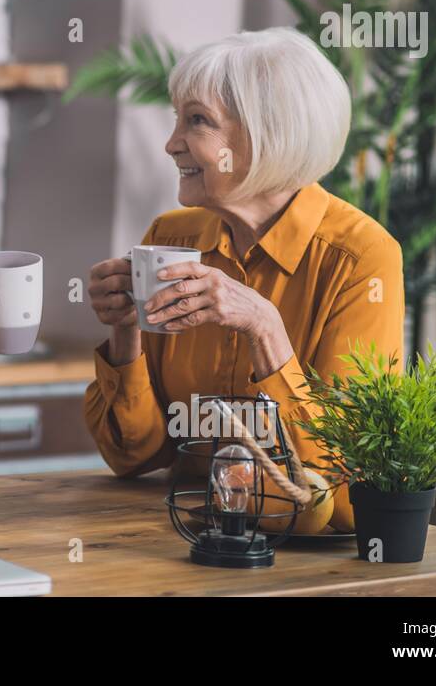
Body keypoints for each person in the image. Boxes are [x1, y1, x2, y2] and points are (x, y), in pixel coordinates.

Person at [84, 28, 404, 526]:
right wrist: (126, 332)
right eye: (177, 119)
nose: (171, 144)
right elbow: (134, 456)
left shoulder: (361, 257)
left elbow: (344, 484)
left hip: (304, 555)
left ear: (266, 134)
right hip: (186, 534)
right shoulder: (171, 237)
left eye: (196, 120)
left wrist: (265, 328)